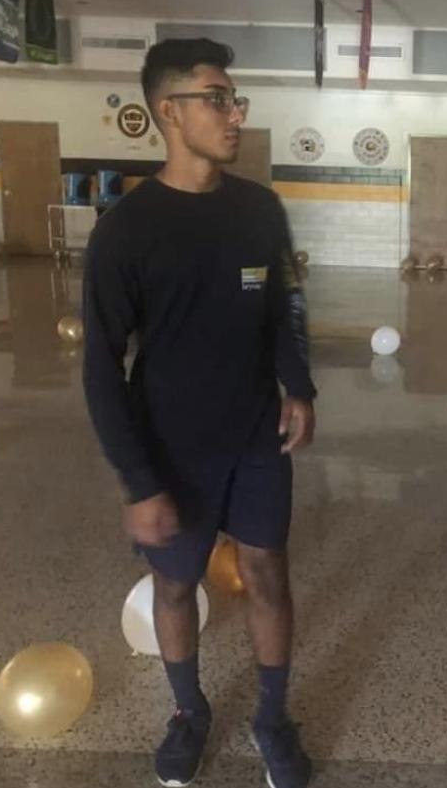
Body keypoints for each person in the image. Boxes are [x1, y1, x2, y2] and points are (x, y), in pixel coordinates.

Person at [83, 38, 316, 788]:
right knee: (177, 586)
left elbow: (282, 306)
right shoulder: (127, 228)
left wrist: (298, 386)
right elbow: (101, 366)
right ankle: (189, 712)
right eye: (217, 99)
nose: (234, 113)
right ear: (169, 112)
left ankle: (273, 718)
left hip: (255, 436)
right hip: (172, 449)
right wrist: (138, 480)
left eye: (234, 99)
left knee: (268, 574)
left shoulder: (258, 209)